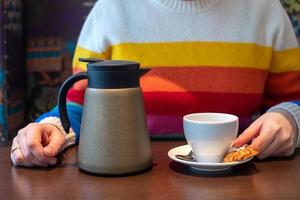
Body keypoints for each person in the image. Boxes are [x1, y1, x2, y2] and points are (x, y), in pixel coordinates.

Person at [11, 0, 300, 167]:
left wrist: (290, 119)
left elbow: (293, 101)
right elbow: (79, 108)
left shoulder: (266, 10)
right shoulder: (110, 9)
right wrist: (50, 128)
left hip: (241, 183)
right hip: (124, 182)